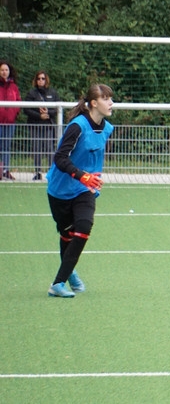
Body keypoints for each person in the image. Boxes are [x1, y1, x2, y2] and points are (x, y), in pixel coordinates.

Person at [45, 84, 115, 298]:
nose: (111, 103)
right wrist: (82, 175)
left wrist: (92, 178)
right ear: (93, 103)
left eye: (111, 98)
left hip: (84, 189)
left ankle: (58, 283)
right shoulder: (77, 127)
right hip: (60, 190)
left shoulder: (107, 128)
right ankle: (70, 273)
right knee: (67, 234)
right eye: (106, 98)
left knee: (84, 227)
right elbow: (60, 158)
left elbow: (95, 157)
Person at [24, 71, 59, 181]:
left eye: (43, 78)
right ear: (36, 80)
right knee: (37, 148)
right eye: (38, 78)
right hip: (35, 125)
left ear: (46, 80)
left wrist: (48, 113)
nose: (41, 80)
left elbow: (57, 109)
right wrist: (39, 116)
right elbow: (26, 109)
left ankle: (51, 172)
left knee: (49, 148)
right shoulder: (31, 93)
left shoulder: (53, 93)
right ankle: (38, 172)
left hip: (48, 125)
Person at [0, 60, 21, 180]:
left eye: (6, 70)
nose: (4, 72)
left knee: (6, 146)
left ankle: (5, 170)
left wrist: (14, 113)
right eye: (2, 70)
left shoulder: (14, 87)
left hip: (10, 122)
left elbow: (18, 102)